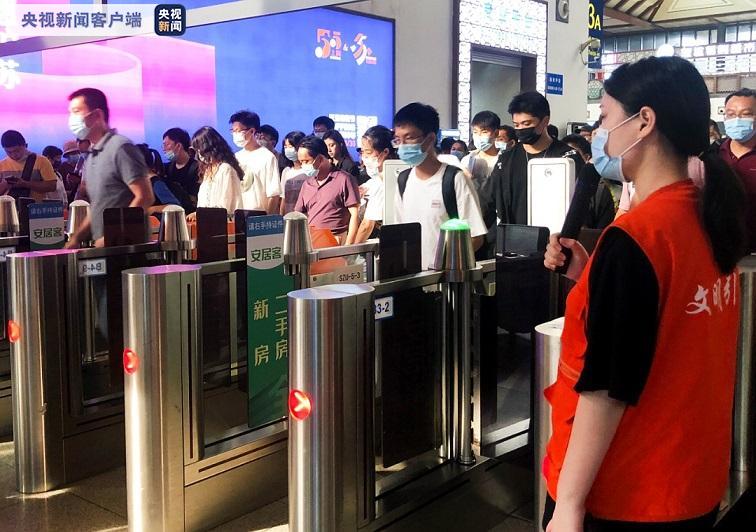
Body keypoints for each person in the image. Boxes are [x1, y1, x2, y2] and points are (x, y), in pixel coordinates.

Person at [542, 56, 745, 532]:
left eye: (605, 118)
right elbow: (666, 319)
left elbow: (607, 389)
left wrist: (569, 504)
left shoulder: (640, 236)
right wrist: (590, 274)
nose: (600, 134)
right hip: (691, 479)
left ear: (644, 121)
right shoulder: (708, 216)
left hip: (627, 491)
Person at [392, 102, 486, 269]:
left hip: (446, 279)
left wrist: (444, 266)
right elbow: (400, 233)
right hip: (413, 278)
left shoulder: (454, 179)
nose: (402, 145)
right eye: (398, 140)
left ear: (430, 138)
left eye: (409, 138)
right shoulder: (403, 180)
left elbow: (475, 237)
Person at [64, 88, 154, 248]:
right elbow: (97, 206)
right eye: (70, 112)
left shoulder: (120, 147)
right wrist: (75, 239)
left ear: (98, 115)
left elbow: (145, 197)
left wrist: (114, 235)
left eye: (76, 111)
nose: (72, 118)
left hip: (128, 250)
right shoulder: (92, 155)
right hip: (106, 250)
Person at [487, 91, 585, 226]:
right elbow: (492, 200)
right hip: (515, 234)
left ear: (545, 121)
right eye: (516, 125)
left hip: (554, 234)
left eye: (526, 124)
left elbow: (581, 203)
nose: (521, 129)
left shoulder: (568, 158)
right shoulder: (506, 160)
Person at [294, 135, 360, 245]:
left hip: (335, 240)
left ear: (320, 158)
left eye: (306, 161)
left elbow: (354, 214)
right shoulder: (307, 184)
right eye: (301, 162)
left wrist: (348, 247)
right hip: (311, 240)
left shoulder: (344, 179)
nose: (303, 165)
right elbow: (299, 214)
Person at [720, 88, 756, 251]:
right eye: (731, 114)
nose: (736, 120)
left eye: (746, 114)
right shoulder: (712, 155)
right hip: (720, 249)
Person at [230, 110, 281, 214]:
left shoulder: (267, 157)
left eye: (238, 131)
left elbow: (274, 194)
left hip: (258, 214)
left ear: (252, 131)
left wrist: (266, 219)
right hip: (238, 214)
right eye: (233, 131)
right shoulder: (236, 157)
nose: (235, 134)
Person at [187, 126, 243, 220]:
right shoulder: (208, 171)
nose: (199, 154)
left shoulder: (225, 169)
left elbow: (224, 207)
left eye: (200, 149)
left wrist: (201, 214)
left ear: (210, 147)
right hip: (208, 223)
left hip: (226, 224)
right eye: (197, 150)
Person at [563, 133, 622, 222]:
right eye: (564, 156)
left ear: (587, 157)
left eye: (573, 154)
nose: (568, 160)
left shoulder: (600, 190)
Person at [354, 125, 396, 243]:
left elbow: (366, 226)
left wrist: (353, 251)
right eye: (362, 152)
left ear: (385, 152)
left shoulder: (383, 183)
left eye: (368, 152)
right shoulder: (374, 181)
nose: (364, 157)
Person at [0, 130, 58, 201]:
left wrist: (26, 184)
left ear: (25, 145)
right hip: (9, 206)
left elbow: (52, 186)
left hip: (35, 206)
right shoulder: (2, 164)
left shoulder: (42, 161)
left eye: (17, 151)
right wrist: (4, 185)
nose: (13, 155)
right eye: (9, 152)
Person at [163, 127, 200, 205]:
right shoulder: (166, 169)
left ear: (179, 146)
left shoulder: (197, 168)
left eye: (167, 145)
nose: (164, 149)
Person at [279, 130, 307, 215]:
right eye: (285, 147)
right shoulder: (286, 171)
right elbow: (283, 198)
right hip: (289, 216)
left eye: (291, 146)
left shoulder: (309, 170)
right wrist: (281, 216)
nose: (288, 150)